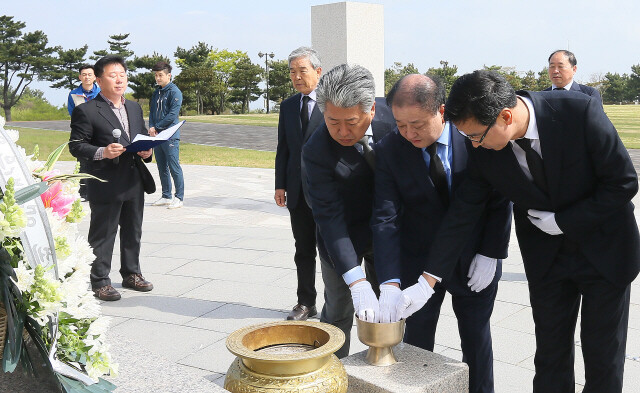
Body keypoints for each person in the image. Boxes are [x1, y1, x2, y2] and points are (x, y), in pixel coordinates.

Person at [420, 70, 638, 393]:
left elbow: (624, 182)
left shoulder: (579, 112)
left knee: (602, 356)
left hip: (604, 251)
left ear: (505, 116)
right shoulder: (484, 150)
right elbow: (463, 212)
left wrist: (564, 221)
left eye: (476, 136)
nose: (472, 145)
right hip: (548, 261)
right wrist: (429, 278)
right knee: (549, 357)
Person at [372, 74, 512, 393]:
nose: (408, 133)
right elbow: (385, 219)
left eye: (417, 124)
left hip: (474, 259)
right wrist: (390, 282)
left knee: (476, 341)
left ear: (442, 111)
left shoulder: (476, 136)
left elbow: (499, 196)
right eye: (400, 124)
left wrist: (492, 252)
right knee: (417, 348)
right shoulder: (390, 149)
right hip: (417, 264)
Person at [302, 64, 395, 358]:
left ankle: (387, 369)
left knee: (389, 304)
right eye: (333, 122)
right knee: (339, 307)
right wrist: (355, 279)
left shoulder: (397, 122)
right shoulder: (316, 149)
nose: (342, 132)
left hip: (389, 231)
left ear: (371, 111)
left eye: (351, 122)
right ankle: (332, 373)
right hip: (341, 236)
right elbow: (328, 216)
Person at [69, 56, 156, 301]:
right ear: (98, 79)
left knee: (133, 230)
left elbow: (138, 137)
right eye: (112, 75)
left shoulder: (134, 107)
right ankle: (99, 280)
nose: (119, 79)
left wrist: (147, 151)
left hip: (133, 178)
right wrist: (102, 152)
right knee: (103, 233)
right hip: (105, 181)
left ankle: (131, 273)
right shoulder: (86, 110)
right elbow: (76, 146)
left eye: (123, 74)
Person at [275, 47, 324, 321]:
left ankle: (339, 304)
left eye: (302, 71)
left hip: (327, 192)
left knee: (332, 251)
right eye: (292, 72)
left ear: (318, 71)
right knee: (303, 250)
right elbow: (284, 148)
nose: (296, 77)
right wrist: (280, 184)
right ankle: (306, 302)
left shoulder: (332, 103)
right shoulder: (289, 106)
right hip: (297, 192)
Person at [149, 61, 184, 209]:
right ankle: (166, 195)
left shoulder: (175, 92)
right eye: (156, 75)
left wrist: (157, 127)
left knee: (173, 166)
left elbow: (172, 115)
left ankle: (179, 197)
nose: (158, 78)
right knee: (161, 166)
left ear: (169, 75)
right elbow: (151, 112)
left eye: (160, 75)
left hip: (170, 135)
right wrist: (151, 126)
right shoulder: (156, 92)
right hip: (157, 135)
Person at [68, 64, 101, 201]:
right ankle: (84, 192)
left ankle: (99, 190)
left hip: (99, 131)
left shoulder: (101, 92)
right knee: (83, 162)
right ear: (80, 77)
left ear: (94, 76)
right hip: (82, 133)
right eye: (84, 75)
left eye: (90, 74)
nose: (87, 77)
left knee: (100, 160)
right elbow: (73, 113)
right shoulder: (73, 94)